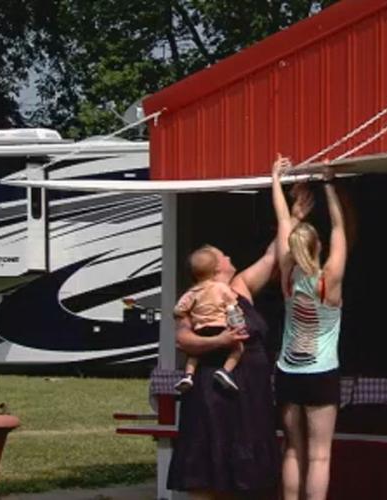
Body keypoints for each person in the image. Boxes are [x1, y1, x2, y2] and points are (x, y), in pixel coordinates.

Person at [167, 187, 314, 500]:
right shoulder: (197, 299)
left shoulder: (240, 287)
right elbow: (182, 338)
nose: (230, 257)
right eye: (225, 256)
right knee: (209, 471)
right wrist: (220, 340)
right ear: (217, 267)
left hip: (250, 395)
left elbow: (272, 256)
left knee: (248, 477)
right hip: (213, 393)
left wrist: (295, 216)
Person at [271, 155, 347, 500]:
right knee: (319, 455)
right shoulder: (327, 280)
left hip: (288, 372)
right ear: (318, 248)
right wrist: (329, 184)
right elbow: (340, 229)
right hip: (321, 373)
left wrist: (276, 180)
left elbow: (283, 222)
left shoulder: (287, 276)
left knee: (291, 450)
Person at [173, 246, 244, 393]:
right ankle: (225, 371)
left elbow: (178, 309)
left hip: (201, 328)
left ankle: (188, 375)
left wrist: (185, 315)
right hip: (219, 326)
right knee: (238, 349)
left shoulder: (192, 292)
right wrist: (237, 313)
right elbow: (232, 305)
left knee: (194, 354)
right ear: (215, 270)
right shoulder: (221, 288)